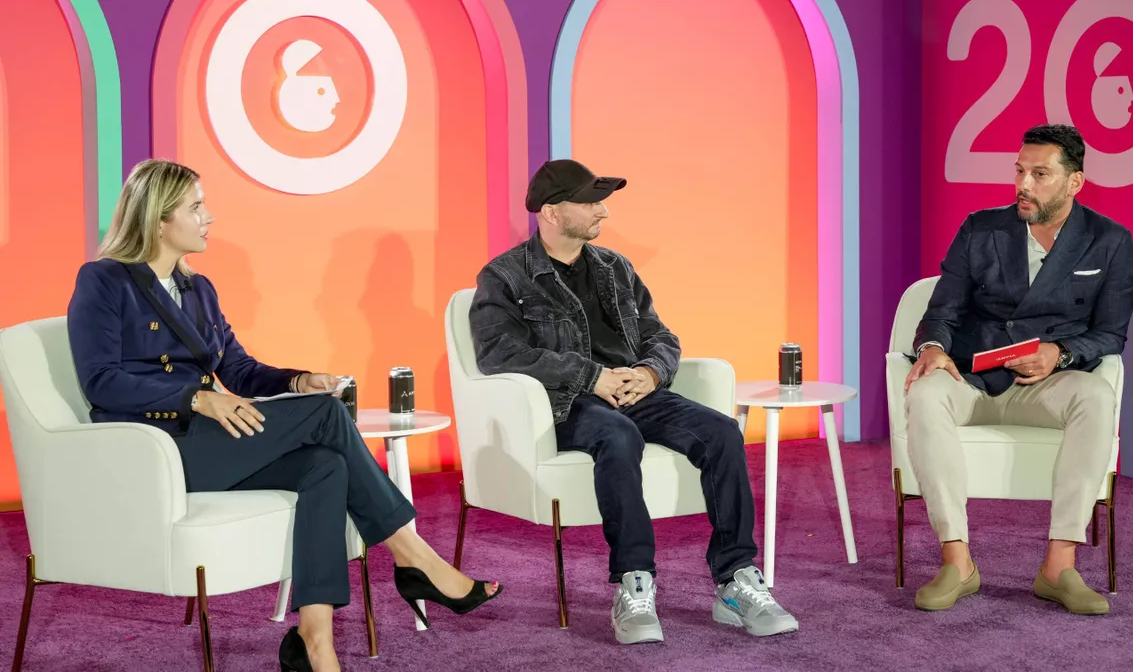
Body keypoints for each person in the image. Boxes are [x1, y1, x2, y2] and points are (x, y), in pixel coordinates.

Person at [66, 160, 502, 672]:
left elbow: (240, 370)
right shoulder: (104, 281)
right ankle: (416, 558)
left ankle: (314, 640)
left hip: (210, 441)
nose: (210, 217)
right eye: (196, 207)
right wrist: (197, 397)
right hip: (156, 449)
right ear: (159, 220)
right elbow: (101, 381)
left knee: (325, 465)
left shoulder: (199, 289)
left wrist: (298, 380)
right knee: (325, 416)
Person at [468, 159, 797, 644]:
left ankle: (735, 580)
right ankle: (634, 582)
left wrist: (649, 372)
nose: (603, 211)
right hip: (566, 403)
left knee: (723, 431)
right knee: (617, 436)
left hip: (636, 391)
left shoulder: (615, 267)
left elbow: (659, 334)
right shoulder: (506, 276)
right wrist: (590, 376)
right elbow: (499, 354)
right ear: (554, 213)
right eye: (591, 202)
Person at [904, 124, 1133, 615]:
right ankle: (957, 563)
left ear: (1073, 182)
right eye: (1019, 171)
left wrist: (1060, 352)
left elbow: (1110, 335)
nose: (1023, 185)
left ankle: (1059, 568)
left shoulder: (1110, 242)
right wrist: (931, 346)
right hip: (973, 379)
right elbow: (941, 311)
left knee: (1096, 397)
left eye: (1039, 174)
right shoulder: (980, 228)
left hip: (1046, 385)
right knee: (925, 393)